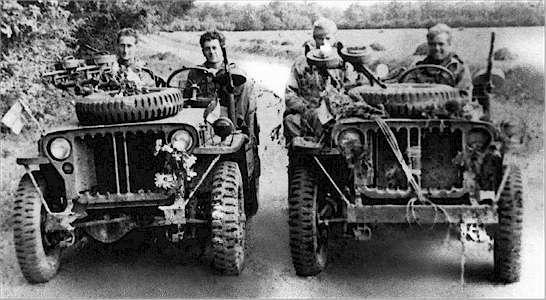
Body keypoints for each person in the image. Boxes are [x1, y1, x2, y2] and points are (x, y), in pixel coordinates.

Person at [283, 18, 354, 143]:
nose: (323, 42)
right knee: (290, 121)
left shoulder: (344, 63)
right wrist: (307, 109)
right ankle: (300, 158)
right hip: (307, 113)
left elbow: (352, 90)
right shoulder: (301, 63)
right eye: (319, 38)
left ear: (334, 39)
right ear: (314, 39)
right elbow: (290, 94)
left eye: (328, 38)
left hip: (337, 114)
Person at [187, 30, 258, 141]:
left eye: (214, 48)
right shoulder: (196, 73)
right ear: (203, 51)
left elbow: (244, 99)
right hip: (202, 117)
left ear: (221, 49)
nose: (211, 52)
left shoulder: (233, 71)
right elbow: (187, 98)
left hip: (228, 118)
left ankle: (239, 129)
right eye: (207, 49)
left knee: (247, 85)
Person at [407, 23, 472, 99]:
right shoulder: (418, 68)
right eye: (432, 44)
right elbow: (408, 92)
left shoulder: (458, 68)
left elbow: (464, 97)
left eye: (441, 44)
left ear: (449, 44)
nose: (436, 48)